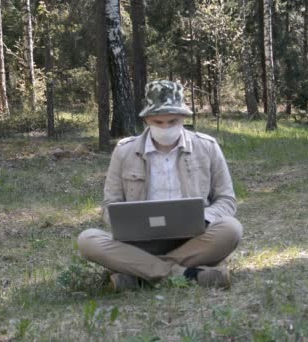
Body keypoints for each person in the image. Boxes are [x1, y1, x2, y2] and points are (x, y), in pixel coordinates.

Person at [77, 80, 243, 291]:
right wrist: (126, 223)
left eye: (172, 121)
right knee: (87, 240)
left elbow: (227, 200)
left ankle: (137, 275)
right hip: (138, 244)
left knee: (231, 229)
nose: (166, 128)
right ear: (146, 119)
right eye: (158, 122)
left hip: (194, 240)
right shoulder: (124, 151)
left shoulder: (207, 146)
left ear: (184, 117)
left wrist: (204, 218)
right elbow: (111, 204)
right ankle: (186, 275)